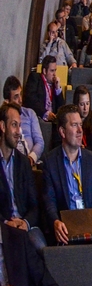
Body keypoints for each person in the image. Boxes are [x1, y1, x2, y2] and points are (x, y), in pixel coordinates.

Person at [41, 105, 92, 244]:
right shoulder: (50, 161)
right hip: (67, 226)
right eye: (74, 125)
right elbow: (49, 200)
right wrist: (55, 221)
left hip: (91, 222)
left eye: (80, 125)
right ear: (62, 132)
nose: (80, 130)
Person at [0, 104, 44, 251]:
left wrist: (25, 223)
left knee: (41, 250)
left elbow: (34, 205)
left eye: (19, 125)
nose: (19, 131)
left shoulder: (24, 162)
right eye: (14, 125)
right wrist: (6, 223)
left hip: (25, 227)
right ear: (2, 126)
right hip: (3, 227)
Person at [2, 78, 44, 165]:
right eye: (16, 97)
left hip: (29, 161)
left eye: (20, 94)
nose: (20, 100)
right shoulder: (3, 119)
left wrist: (31, 158)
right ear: (7, 101)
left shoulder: (30, 114)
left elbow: (39, 142)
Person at [69, 86, 92, 157]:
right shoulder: (70, 119)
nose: (85, 108)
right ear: (76, 104)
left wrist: (86, 149)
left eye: (87, 103)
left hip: (91, 158)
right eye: (82, 104)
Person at [22, 56, 62, 123]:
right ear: (44, 71)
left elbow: (61, 108)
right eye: (52, 71)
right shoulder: (35, 78)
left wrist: (58, 89)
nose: (55, 74)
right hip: (38, 118)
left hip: (52, 122)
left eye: (55, 70)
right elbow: (30, 99)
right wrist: (45, 113)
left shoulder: (55, 85)